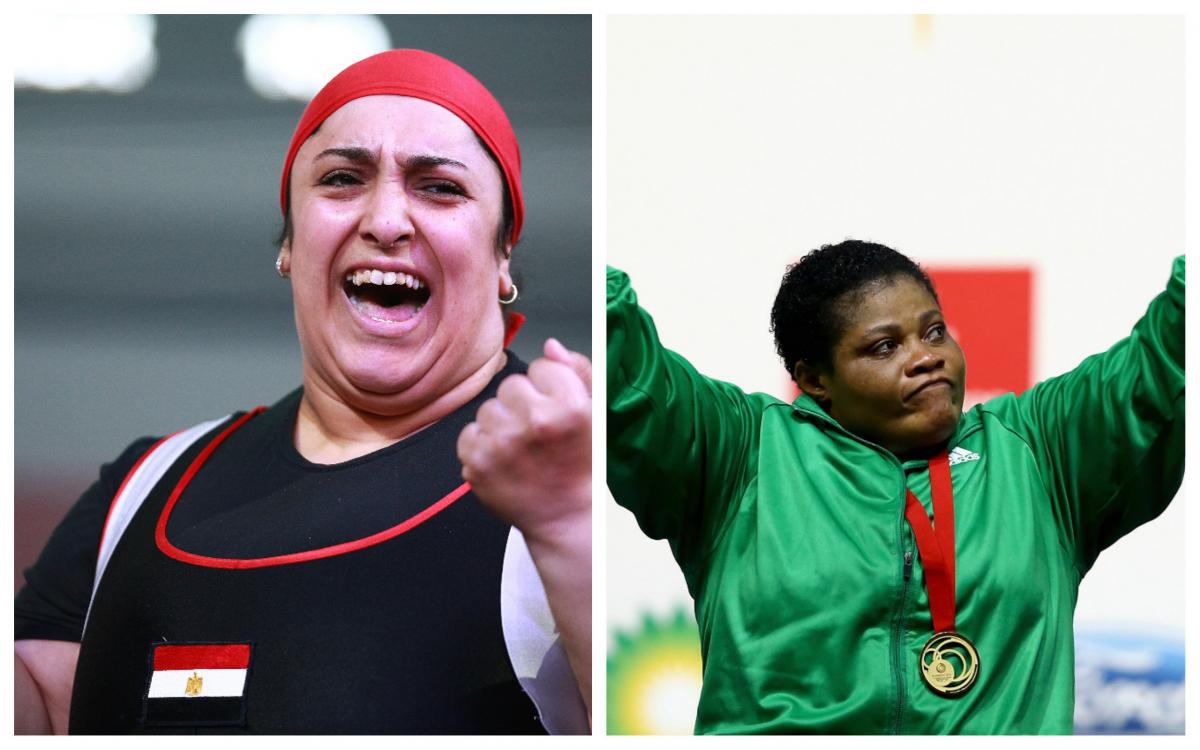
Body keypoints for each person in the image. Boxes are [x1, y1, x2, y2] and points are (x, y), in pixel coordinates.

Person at [15, 49, 591, 735]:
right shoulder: (145, 486)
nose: (386, 220)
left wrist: (570, 524)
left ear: (503, 258)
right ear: (289, 244)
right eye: (344, 179)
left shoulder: (576, 480)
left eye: (439, 188)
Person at [607, 239, 1184, 734]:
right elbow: (626, 369)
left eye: (934, 332)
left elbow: (1167, 356)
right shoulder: (741, 453)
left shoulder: (1038, 448)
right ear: (814, 379)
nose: (926, 358)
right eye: (885, 347)